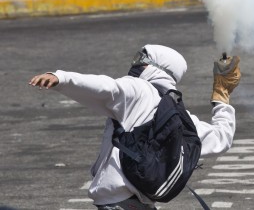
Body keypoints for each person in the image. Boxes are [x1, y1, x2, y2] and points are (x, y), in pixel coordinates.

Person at [28, 44, 241, 210]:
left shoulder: (139, 89)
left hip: (117, 201)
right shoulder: (179, 115)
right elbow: (222, 138)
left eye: (141, 59)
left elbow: (107, 87)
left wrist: (62, 78)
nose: (135, 63)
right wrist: (222, 94)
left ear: (155, 66)